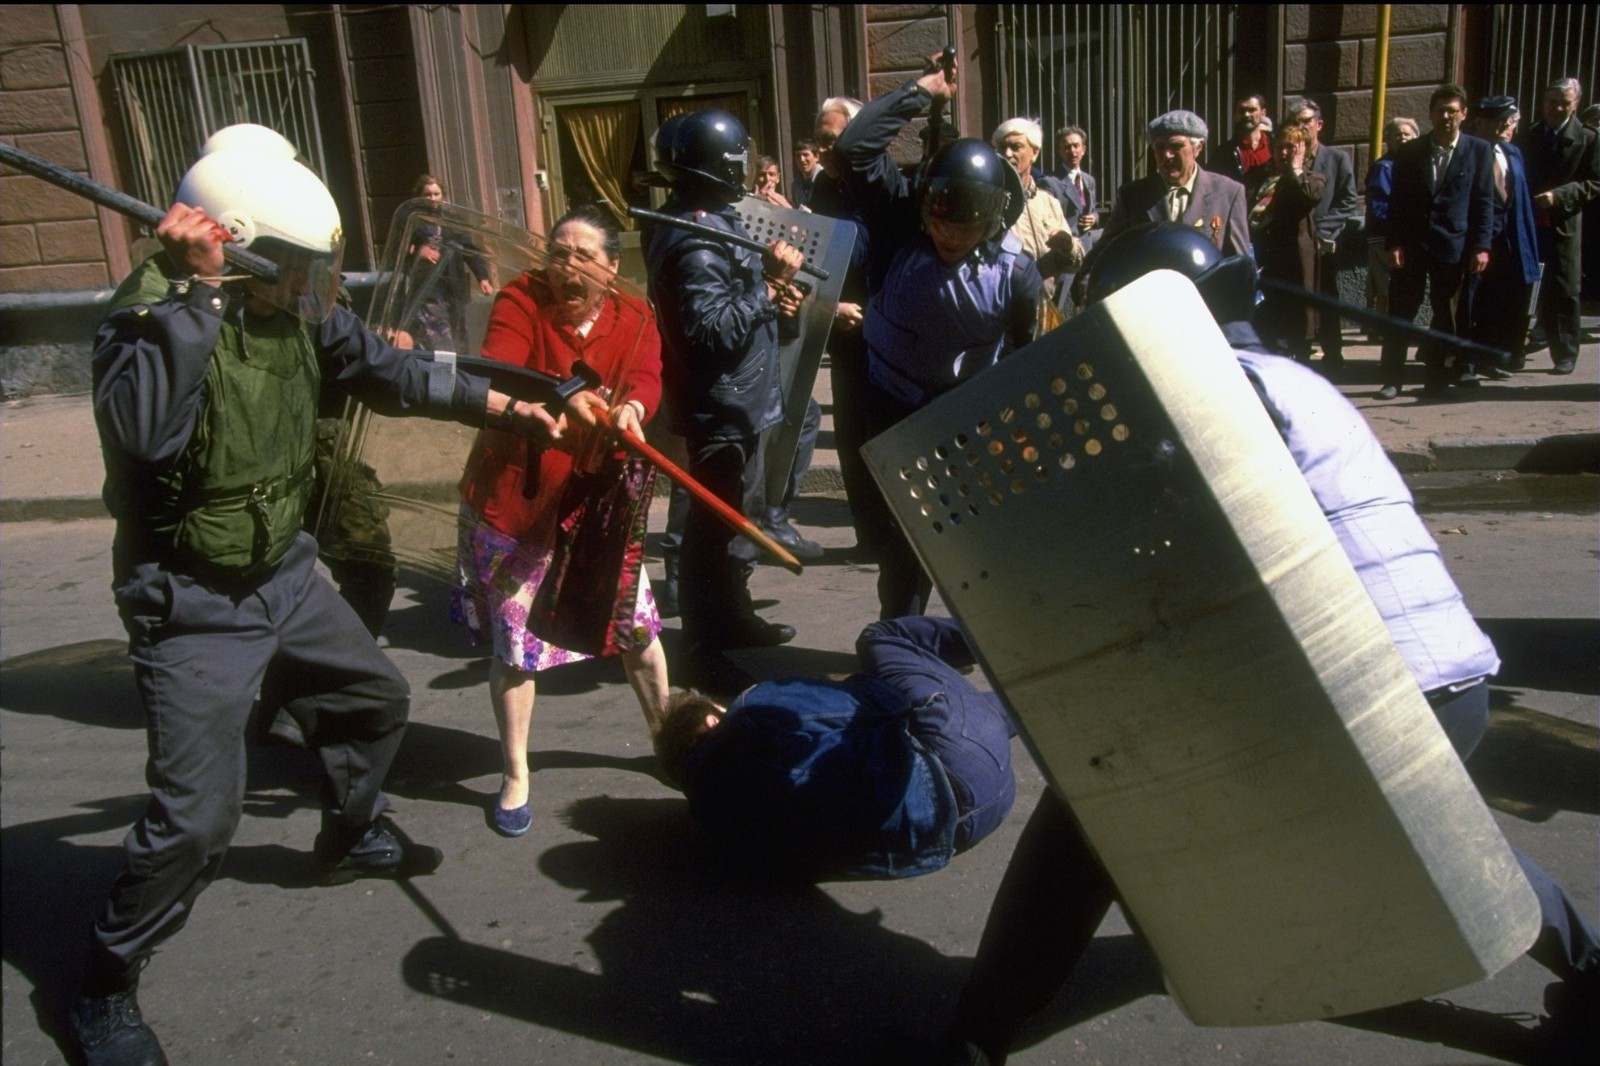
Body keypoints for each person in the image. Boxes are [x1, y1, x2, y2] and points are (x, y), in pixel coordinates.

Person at [933, 222, 1600, 1065]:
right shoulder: (1291, 377)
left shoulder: (1212, 389)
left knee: (1092, 816)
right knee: (1431, 835)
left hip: (1355, 687)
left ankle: (975, 1037)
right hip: (1445, 690)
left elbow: (1150, 551)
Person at [73, 125, 543, 1066]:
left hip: (280, 566)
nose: (309, 289)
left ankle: (353, 830)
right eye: (290, 268)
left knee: (373, 697)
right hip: (190, 591)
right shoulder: (146, 315)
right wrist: (196, 294)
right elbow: (146, 435)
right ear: (236, 247)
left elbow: (397, 369)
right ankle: (104, 981)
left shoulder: (297, 309)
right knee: (198, 816)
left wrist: (515, 403)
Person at [452, 204, 670, 837]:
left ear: (611, 266)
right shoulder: (522, 298)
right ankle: (516, 771)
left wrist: (631, 408)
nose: (567, 268)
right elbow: (502, 369)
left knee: (637, 629)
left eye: (583, 256)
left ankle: (665, 738)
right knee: (518, 646)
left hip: (596, 504)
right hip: (519, 499)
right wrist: (565, 398)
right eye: (557, 253)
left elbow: (648, 378)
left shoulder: (634, 313)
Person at [834, 51, 1042, 619]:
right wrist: (921, 90)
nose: (950, 232)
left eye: (967, 222)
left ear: (995, 216)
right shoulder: (903, 222)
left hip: (969, 414)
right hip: (892, 404)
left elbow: (1027, 356)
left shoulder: (1017, 272)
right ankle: (900, 636)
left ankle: (982, 637)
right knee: (903, 544)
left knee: (974, 540)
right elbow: (853, 149)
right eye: (941, 216)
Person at [642, 109, 806, 693]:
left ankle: (731, 617)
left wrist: (769, 297)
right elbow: (710, 330)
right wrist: (766, 285)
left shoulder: (701, 220)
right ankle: (704, 650)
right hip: (719, 405)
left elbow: (731, 310)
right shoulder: (694, 241)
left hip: (738, 397)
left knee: (729, 523)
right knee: (711, 532)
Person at [655, 615, 1015, 879]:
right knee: (879, 636)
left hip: (959, 827)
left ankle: (1029, 703)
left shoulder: (721, 828)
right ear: (711, 721)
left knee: (975, 713)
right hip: (958, 763)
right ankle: (1015, 633)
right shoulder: (748, 718)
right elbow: (885, 702)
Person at [806, 95, 884, 562]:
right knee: (853, 440)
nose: (823, 153)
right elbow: (822, 265)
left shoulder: (883, 187)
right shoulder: (822, 192)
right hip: (847, 337)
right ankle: (869, 537)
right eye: (819, 142)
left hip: (892, 337)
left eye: (832, 142)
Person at [1380, 84, 1495, 398]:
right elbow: (1397, 204)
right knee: (1401, 311)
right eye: (1441, 111)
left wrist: (1481, 246)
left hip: (1453, 246)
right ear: (1431, 114)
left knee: (1447, 313)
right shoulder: (1410, 152)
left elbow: (1484, 202)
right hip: (1412, 246)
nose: (1446, 117)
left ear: (1464, 114)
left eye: (1453, 111)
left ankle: (1438, 378)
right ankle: (1392, 378)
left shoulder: (1478, 150)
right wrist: (1394, 244)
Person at [1076, 108, 1251, 308]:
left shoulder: (1228, 193)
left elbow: (1240, 266)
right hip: (1148, 311)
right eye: (1159, 148)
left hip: (1205, 311)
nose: (1166, 155)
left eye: (1176, 146)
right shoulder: (1134, 195)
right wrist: (1086, 289)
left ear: (1198, 148)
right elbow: (1103, 251)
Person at [1520, 76, 1600, 375]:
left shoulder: (1589, 139)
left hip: (1564, 223)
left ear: (1575, 105)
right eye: (1551, 102)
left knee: (1564, 288)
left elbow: (1594, 182)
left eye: (1563, 103)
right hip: (1530, 221)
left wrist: (1560, 196)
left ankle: (1565, 353)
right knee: (1523, 285)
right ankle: (1515, 346)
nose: (1555, 108)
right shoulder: (1529, 135)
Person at [1468, 96, 1541, 377]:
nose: (1505, 124)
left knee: (1501, 304)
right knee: (1475, 304)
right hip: (1479, 242)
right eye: (1499, 119)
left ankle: (1490, 359)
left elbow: (1519, 197)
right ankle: (1466, 362)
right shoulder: (1470, 150)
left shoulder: (1511, 152)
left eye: (1507, 119)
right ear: (1480, 121)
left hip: (1510, 241)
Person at [1286, 98, 1359, 369]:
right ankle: (1301, 350)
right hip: (1296, 242)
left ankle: (1333, 352)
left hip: (1324, 241)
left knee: (1327, 296)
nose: (1301, 127)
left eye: (1306, 121)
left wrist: (1323, 231)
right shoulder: (1289, 156)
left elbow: (1347, 201)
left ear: (1319, 124)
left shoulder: (1337, 158)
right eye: (1296, 122)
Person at [1249, 123, 1328, 360]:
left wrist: (1296, 168)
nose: (1284, 153)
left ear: (1303, 150)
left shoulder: (1312, 178)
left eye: (1291, 148)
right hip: (1266, 258)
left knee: (1298, 327)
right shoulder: (1262, 180)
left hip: (1295, 263)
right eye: (1280, 147)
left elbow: (1310, 197)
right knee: (1270, 327)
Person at [991, 116, 1085, 305]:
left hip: (1046, 311)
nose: (1007, 154)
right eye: (1002, 148)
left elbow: (1075, 262)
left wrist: (1068, 246)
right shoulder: (990, 201)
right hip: (1007, 316)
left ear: (1034, 153)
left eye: (1016, 147)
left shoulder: (1048, 202)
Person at [404, 174, 494, 352]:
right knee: (439, 339)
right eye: (427, 194)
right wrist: (419, 251)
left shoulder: (453, 220)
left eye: (436, 194)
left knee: (458, 335)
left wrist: (483, 277)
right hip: (427, 288)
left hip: (453, 287)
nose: (432, 198)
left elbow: (470, 250)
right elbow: (400, 248)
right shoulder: (412, 220)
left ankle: (459, 372)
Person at [1363, 116, 1420, 325]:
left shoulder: (1417, 164)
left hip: (1409, 237)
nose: (1403, 138)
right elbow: (1379, 205)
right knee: (1385, 285)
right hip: (1385, 237)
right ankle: (1380, 328)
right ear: (1388, 139)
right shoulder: (1384, 167)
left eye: (1407, 134)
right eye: (1398, 135)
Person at [1215, 92, 1275, 199]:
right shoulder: (1222, 153)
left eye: (1252, 110)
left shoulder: (1276, 147)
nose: (1246, 115)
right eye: (1241, 111)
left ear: (1263, 114)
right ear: (1235, 116)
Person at [1052, 125, 1099, 239]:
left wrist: (1094, 217)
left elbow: (1093, 209)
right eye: (1067, 147)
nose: (1072, 151)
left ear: (1083, 149)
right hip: (1066, 246)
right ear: (1060, 151)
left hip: (1088, 243)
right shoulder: (1052, 182)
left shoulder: (1089, 180)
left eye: (1076, 146)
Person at [792, 138, 822, 207]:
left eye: (806, 155)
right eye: (798, 156)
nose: (802, 159)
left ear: (817, 157)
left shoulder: (827, 179)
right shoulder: (796, 185)